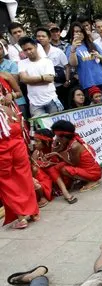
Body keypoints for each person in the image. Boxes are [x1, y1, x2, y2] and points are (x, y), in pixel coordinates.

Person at [0, 76, 38, 229]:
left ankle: (21, 217)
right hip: (17, 145)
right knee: (24, 178)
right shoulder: (9, 108)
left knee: (8, 183)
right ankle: (32, 212)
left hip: (4, 149)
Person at [45, 120, 102, 199]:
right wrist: (55, 144)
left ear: (64, 136)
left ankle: (92, 180)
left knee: (64, 169)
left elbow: (74, 164)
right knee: (54, 168)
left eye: (57, 136)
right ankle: (65, 191)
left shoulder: (75, 146)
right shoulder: (68, 141)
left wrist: (59, 156)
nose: (56, 138)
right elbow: (54, 152)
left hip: (93, 173)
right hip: (87, 169)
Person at [17, 37, 64, 117]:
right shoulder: (22, 63)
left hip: (51, 99)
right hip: (34, 103)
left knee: (57, 126)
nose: (28, 52)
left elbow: (49, 79)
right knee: (41, 128)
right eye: (25, 50)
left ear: (36, 46)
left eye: (30, 48)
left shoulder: (47, 61)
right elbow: (24, 79)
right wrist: (42, 78)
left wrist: (31, 81)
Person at [66, 21, 102, 100]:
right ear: (72, 33)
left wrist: (99, 56)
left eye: (81, 31)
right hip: (88, 83)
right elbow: (73, 64)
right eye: (76, 32)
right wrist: (73, 49)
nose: (79, 34)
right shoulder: (70, 48)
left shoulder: (93, 44)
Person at [35, 27, 72, 110]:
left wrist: (67, 80)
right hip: (44, 88)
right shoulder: (35, 54)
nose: (40, 38)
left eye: (43, 36)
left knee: (64, 107)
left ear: (49, 38)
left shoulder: (57, 51)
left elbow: (67, 66)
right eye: (38, 36)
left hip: (60, 86)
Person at [0, 40, 28, 116]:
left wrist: (11, 95)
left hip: (15, 104)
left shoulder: (11, 65)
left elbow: (16, 86)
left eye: (0, 48)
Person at [31, 128, 55, 207]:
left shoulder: (54, 149)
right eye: (34, 141)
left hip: (55, 179)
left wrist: (52, 163)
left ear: (46, 142)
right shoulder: (36, 152)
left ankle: (42, 197)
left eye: (37, 141)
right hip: (41, 179)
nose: (35, 144)